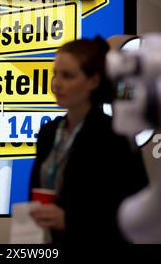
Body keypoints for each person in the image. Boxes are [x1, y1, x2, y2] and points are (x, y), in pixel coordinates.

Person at [29, 36, 148, 244]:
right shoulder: (49, 132)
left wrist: (71, 220)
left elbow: (135, 215)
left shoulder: (115, 136)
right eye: (55, 74)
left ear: (93, 81)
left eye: (68, 76)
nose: (57, 83)